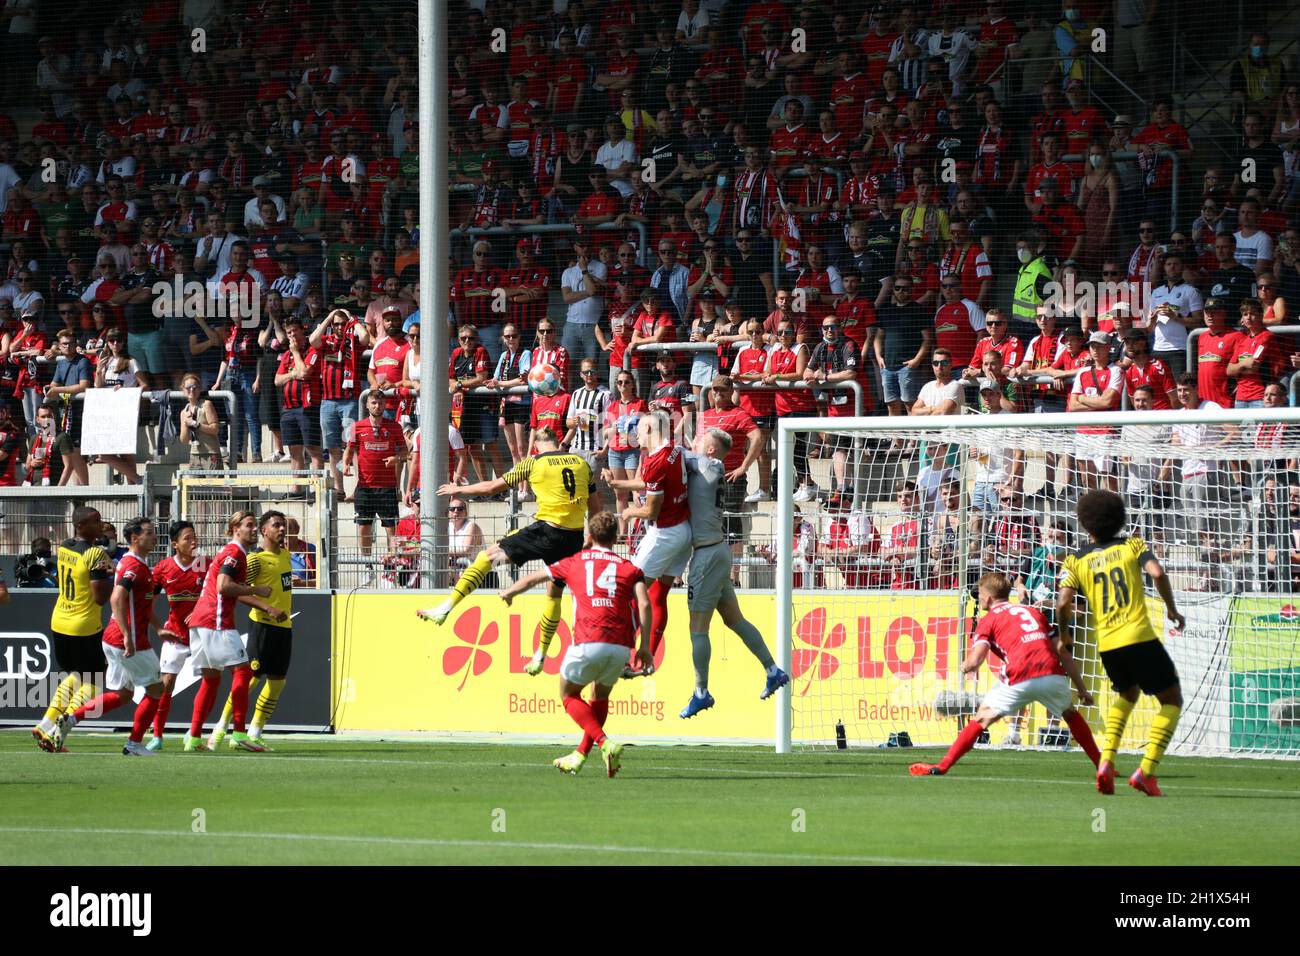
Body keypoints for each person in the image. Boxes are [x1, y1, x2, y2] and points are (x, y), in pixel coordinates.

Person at [498, 510, 652, 777]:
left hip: (588, 641)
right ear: (616, 539)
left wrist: (510, 591)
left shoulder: (574, 562)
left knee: (568, 695)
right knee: (599, 697)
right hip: (620, 647)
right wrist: (645, 647)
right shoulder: (629, 568)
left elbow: (536, 578)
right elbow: (645, 603)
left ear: (589, 536)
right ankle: (580, 755)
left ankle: (605, 743)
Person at [1057, 489, 1187, 797]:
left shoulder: (1075, 559)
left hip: (1109, 644)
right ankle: (1146, 771)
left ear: (1086, 525)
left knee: (1128, 693)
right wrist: (1171, 608)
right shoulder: (1133, 544)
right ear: (1120, 520)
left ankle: (1105, 762)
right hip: (1139, 636)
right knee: (1172, 701)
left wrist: (1064, 635)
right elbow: (1157, 572)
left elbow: (1063, 603)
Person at [910, 571, 1100, 777]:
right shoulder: (1034, 613)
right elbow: (1062, 651)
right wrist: (1081, 689)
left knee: (982, 719)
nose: (979, 598)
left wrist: (964, 667)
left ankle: (943, 766)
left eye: (980, 594)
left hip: (1020, 677)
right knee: (1070, 714)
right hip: (1052, 674)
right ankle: (1103, 765)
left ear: (989, 598)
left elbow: (975, 661)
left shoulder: (989, 620)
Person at [418, 427, 599, 626]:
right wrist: (592, 539)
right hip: (574, 538)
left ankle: (446, 608)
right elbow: (596, 508)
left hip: (547, 531)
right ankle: (541, 655)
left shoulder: (533, 463)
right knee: (554, 594)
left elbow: (491, 488)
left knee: (485, 557)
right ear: (557, 441)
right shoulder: (583, 465)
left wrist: (458, 488)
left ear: (536, 446)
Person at [677, 428, 789, 718]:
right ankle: (773, 669)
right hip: (718, 551)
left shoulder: (707, 465)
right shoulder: (712, 467)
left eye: (702, 441)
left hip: (706, 557)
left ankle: (701, 692)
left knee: (697, 628)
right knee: (734, 620)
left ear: (711, 450)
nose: (697, 443)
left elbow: (674, 453)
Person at [50, 518, 175, 756]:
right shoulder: (133, 566)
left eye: (154, 532)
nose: (154, 537)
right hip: (129, 641)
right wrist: (128, 635)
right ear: (135, 538)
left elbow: (139, 606)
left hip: (116, 639)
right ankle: (134, 744)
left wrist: (158, 628)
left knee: (123, 694)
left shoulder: (133, 563)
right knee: (157, 689)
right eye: (149, 533)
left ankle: (71, 719)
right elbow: (116, 598)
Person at [185, 510, 287, 753]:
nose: (254, 529)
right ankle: (240, 733)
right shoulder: (234, 553)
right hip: (216, 619)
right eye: (249, 525)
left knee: (211, 680)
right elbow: (223, 586)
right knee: (242, 672)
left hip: (201, 620)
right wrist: (256, 590)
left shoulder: (232, 553)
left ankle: (194, 737)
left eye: (254, 525)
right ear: (235, 529)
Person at [603, 412, 691, 664]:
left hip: (664, 533)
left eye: (639, 430)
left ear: (651, 429)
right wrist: (617, 485)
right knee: (657, 595)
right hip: (683, 530)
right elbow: (647, 481)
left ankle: (618, 654)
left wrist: (629, 511)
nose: (636, 436)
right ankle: (647, 657)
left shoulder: (656, 461)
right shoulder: (673, 449)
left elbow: (651, 510)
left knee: (630, 591)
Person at [31, 506, 111, 752]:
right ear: (81, 526)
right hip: (83, 624)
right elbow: (99, 598)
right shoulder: (95, 553)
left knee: (76, 676)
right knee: (96, 680)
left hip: (60, 620)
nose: (101, 525)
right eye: (96, 522)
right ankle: (57, 729)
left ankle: (44, 725)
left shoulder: (64, 546)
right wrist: (114, 578)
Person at [147, 520, 204, 751]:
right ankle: (157, 736)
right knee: (165, 685)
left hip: (203, 635)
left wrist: (200, 611)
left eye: (194, 537)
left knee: (209, 683)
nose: (194, 542)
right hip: (177, 636)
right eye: (187, 538)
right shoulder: (163, 568)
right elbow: (146, 602)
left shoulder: (204, 565)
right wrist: (159, 628)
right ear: (175, 544)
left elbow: (218, 593)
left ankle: (194, 735)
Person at [344, 390, 410, 556]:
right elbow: (350, 448)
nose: (377, 406)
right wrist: (345, 465)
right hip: (365, 487)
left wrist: (396, 458)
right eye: (373, 403)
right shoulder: (357, 427)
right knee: (363, 526)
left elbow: (405, 451)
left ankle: (392, 562)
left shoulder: (394, 426)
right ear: (367, 405)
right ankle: (366, 563)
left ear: (385, 405)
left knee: (391, 527)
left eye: (380, 403)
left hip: (387, 487)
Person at [604, 371, 648, 532]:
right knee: (620, 495)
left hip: (632, 452)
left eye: (626, 382)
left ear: (632, 384)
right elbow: (605, 432)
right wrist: (612, 430)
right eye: (620, 382)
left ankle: (639, 530)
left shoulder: (640, 404)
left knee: (637, 492)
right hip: (615, 451)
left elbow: (646, 427)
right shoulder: (613, 406)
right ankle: (623, 533)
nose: (623, 385)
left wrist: (635, 435)